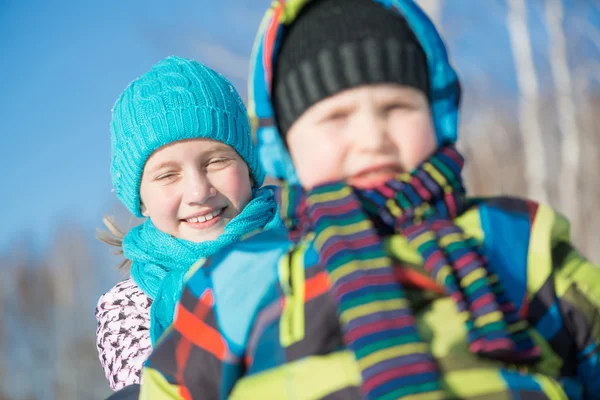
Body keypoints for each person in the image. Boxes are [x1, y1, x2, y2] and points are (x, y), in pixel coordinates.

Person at [141, 1, 600, 399]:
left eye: (395, 108)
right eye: (336, 117)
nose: (370, 138)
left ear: (437, 114)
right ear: (285, 147)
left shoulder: (515, 240)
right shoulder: (240, 276)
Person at [94, 55, 280, 392]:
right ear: (142, 202)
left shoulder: (307, 242)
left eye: (216, 161)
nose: (198, 191)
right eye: (167, 175)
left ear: (249, 168)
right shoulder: (129, 308)